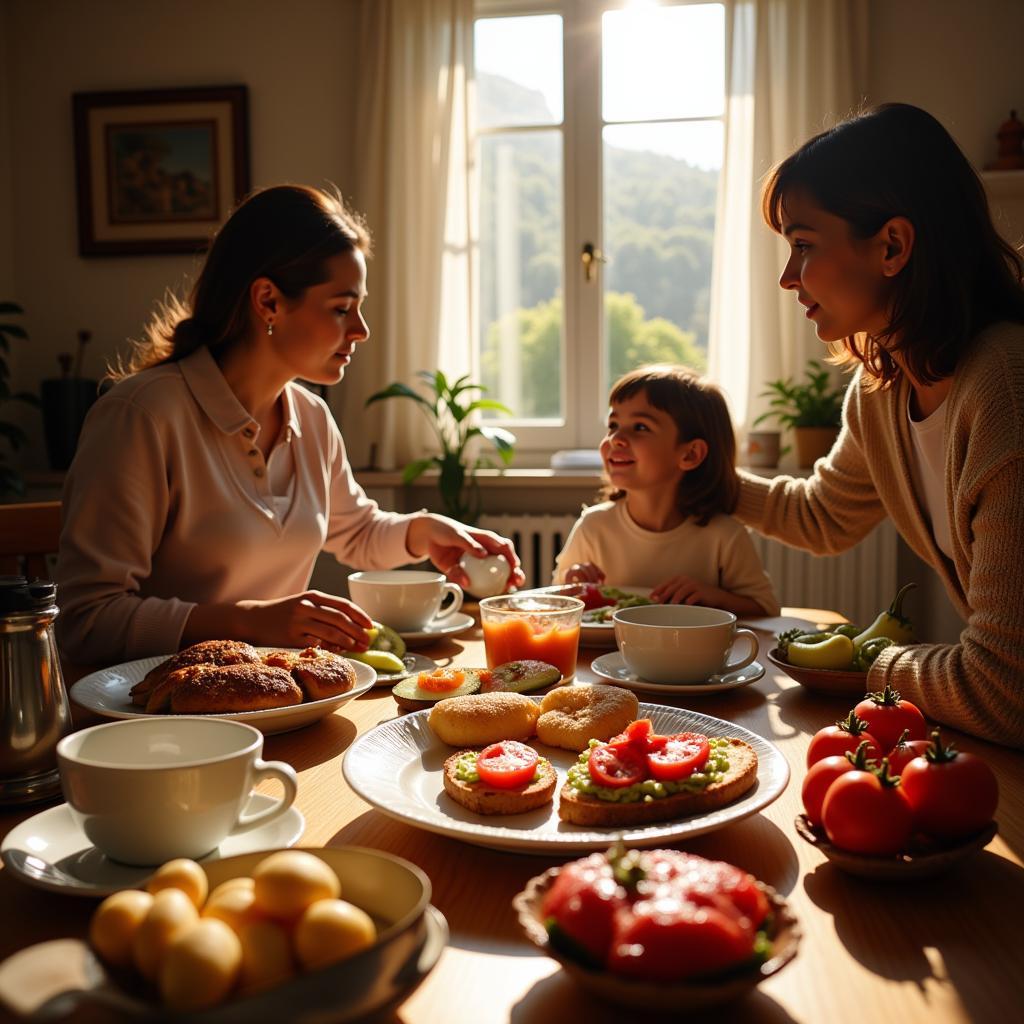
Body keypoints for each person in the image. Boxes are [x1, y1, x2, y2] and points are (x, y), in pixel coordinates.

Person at [56, 184, 524, 665]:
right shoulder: (142, 417)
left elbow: (356, 530)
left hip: (274, 700)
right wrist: (248, 621)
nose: (361, 330)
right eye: (342, 309)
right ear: (268, 301)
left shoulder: (311, 416)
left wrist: (423, 532)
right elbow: (87, 619)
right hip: (158, 723)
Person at [744, 102, 1024, 748]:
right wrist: (716, 488)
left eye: (804, 245)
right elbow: (824, 514)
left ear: (893, 245)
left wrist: (859, 660)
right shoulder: (882, 392)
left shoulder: (1003, 388)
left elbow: (1004, 689)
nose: (788, 277)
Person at [553, 365, 780, 617]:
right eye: (613, 424)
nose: (615, 438)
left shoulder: (725, 535)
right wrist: (572, 583)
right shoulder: (594, 527)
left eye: (640, 427)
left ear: (690, 454)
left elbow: (766, 608)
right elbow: (555, 602)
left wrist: (714, 597)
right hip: (608, 655)